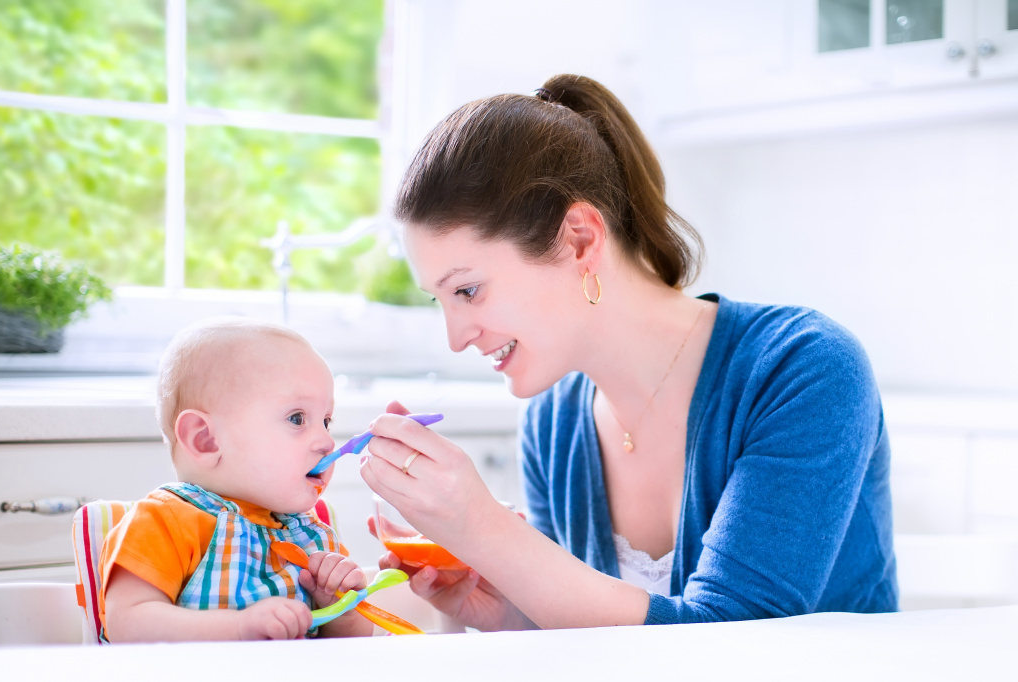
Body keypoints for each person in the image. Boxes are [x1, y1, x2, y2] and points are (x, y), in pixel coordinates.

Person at [359, 74, 897, 630]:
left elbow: (736, 644)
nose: (456, 336)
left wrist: (485, 529)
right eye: (441, 300)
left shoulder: (803, 370)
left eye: (468, 290)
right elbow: (611, 642)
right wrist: (510, 613)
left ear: (580, 240)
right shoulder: (553, 424)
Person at [100, 317, 373, 642]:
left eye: (326, 421)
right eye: (297, 418)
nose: (327, 442)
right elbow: (127, 624)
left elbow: (349, 648)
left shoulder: (314, 538)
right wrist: (239, 628)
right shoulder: (165, 521)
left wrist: (342, 608)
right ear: (206, 440)